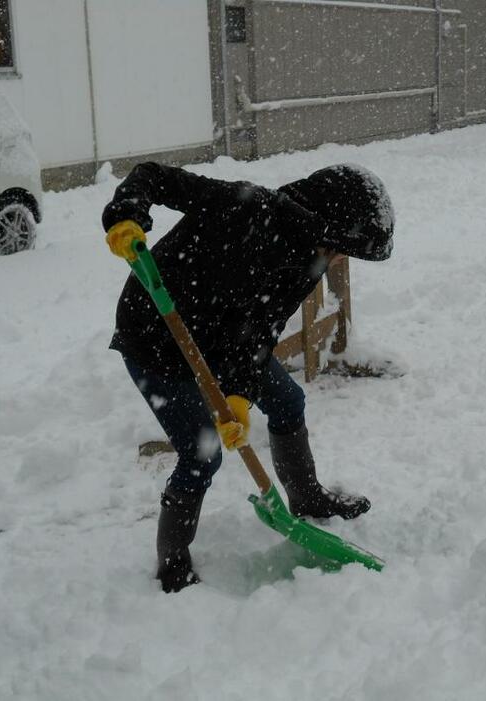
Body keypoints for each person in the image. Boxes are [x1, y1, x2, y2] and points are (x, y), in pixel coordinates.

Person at [101, 161, 394, 592]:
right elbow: (154, 177)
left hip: (219, 343)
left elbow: (258, 334)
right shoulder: (243, 207)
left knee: (287, 401)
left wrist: (238, 395)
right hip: (157, 338)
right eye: (345, 247)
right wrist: (127, 213)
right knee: (201, 455)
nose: (343, 257)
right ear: (328, 228)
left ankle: (305, 494)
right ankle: (172, 563)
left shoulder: (307, 260)